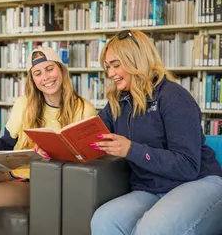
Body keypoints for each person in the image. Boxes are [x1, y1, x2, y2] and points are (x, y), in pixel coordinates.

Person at [90, 30, 222, 235]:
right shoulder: (117, 102)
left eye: (116, 65)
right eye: (108, 67)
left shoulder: (174, 97)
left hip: (197, 182)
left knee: (153, 229)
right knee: (104, 220)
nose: (110, 74)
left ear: (137, 60)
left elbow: (188, 166)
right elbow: (93, 136)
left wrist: (131, 149)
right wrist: (59, 145)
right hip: (150, 188)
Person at [0, 46, 96, 235]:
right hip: (13, 171)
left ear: (61, 70)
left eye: (49, 69)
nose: (45, 77)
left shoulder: (84, 109)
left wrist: (51, 155)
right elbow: (6, 145)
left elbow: (88, 161)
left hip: (41, 183)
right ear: (33, 80)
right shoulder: (24, 104)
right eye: (37, 73)